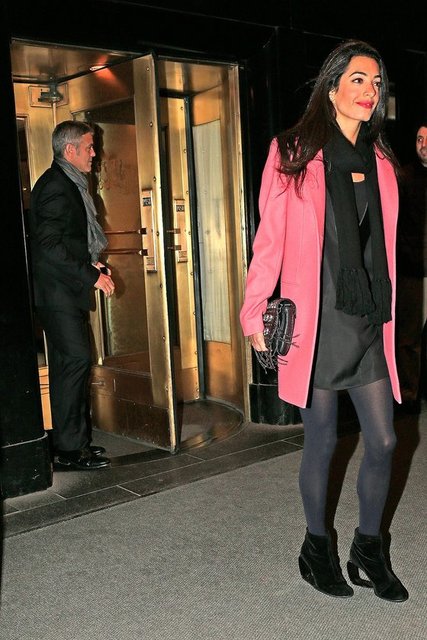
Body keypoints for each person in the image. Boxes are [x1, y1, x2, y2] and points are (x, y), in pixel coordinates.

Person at [240, 40, 408, 601]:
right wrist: (254, 308)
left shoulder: (381, 161)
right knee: (322, 438)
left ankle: (368, 547)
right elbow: (269, 240)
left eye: (377, 82)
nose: (370, 91)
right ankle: (317, 547)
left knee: (383, 439)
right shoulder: (292, 151)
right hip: (317, 320)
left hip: (366, 317)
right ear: (332, 87)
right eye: (358, 79)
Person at [29, 120, 115, 470]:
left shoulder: (69, 183)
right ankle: (69, 449)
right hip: (57, 294)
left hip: (65, 292)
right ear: (70, 150)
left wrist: (92, 264)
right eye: (89, 147)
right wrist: (90, 275)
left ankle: (74, 444)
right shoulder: (56, 186)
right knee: (75, 362)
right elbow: (48, 246)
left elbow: (66, 240)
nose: (94, 153)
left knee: (71, 364)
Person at [395, 122, 427, 413]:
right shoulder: (403, 177)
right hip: (412, 271)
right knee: (408, 337)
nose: (423, 145)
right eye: (419, 139)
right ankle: (409, 395)